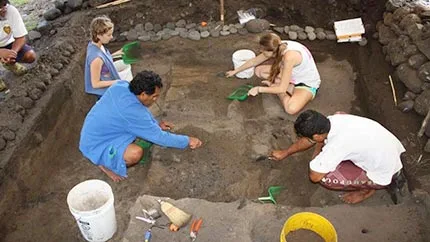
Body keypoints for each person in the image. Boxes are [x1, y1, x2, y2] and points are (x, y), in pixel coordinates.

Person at [79, 70, 203, 182]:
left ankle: (104, 158)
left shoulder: (121, 86)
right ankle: (104, 163)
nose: (155, 99)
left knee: (134, 132)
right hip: (96, 144)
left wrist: (155, 123)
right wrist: (187, 140)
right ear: (143, 94)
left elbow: (139, 114)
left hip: (95, 132)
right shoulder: (132, 112)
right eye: (154, 96)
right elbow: (160, 138)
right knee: (135, 153)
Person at [269, 110, 407, 204]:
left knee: (326, 178)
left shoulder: (336, 146)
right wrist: (286, 152)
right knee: (331, 144)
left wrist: (318, 153)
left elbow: (315, 176)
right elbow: (310, 140)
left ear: (317, 135)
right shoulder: (335, 119)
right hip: (386, 150)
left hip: (384, 170)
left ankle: (367, 191)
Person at [226, 33, 321, 115]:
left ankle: (277, 87)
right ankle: (285, 86)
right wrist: (235, 71)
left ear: (271, 51)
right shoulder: (277, 45)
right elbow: (253, 62)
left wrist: (259, 89)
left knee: (291, 109)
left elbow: (282, 89)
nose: (260, 51)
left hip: (306, 83)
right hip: (292, 75)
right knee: (259, 71)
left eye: (263, 50)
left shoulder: (289, 57)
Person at [0, 0, 37, 95]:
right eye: (0, 8)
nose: (3, 9)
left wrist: (12, 53)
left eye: (4, 5)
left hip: (7, 44)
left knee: (30, 56)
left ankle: (9, 64)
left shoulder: (10, 11)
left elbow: (20, 38)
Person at [84, 16, 122, 97]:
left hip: (108, 85)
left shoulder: (96, 45)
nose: (111, 37)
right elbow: (95, 84)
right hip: (105, 94)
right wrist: (116, 82)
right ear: (99, 35)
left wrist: (117, 53)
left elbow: (104, 60)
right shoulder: (96, 58)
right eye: (109, 35)